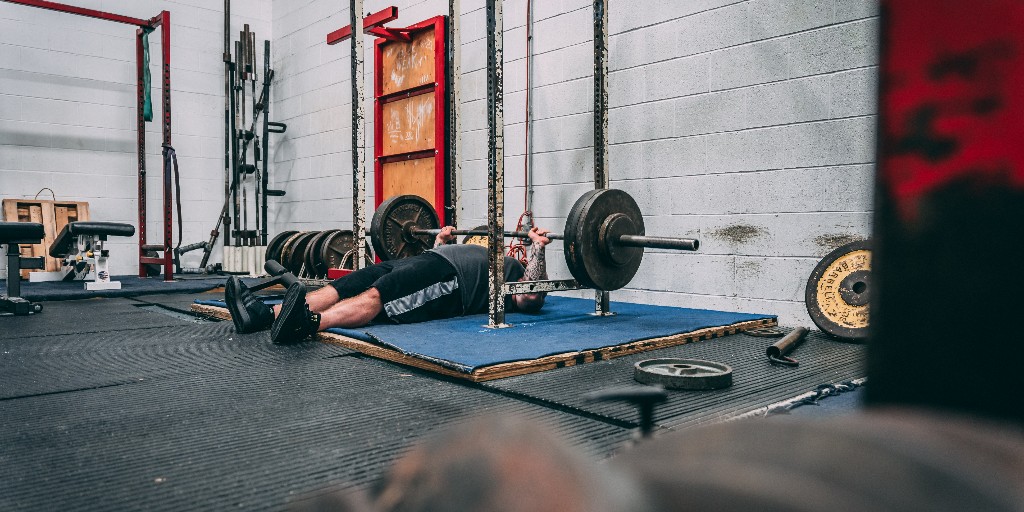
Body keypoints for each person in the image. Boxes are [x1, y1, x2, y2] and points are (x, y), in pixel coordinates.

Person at [225, 226, 552, 343]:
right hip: (431, 261)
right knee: (350, 283)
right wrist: (439, 242)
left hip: (453, 282)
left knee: (380, 295)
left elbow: (532, 298)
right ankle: (267, 316)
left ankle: (308, 323)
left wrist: (537, 247)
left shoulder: (513, 276)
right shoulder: (482, 251)